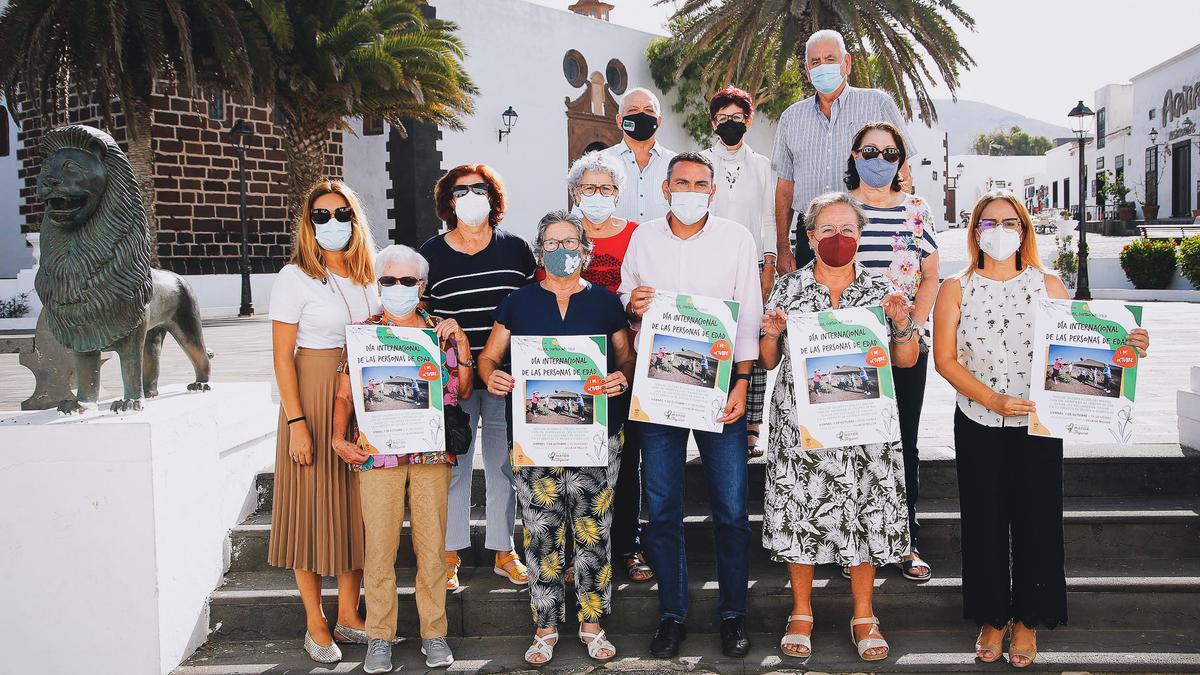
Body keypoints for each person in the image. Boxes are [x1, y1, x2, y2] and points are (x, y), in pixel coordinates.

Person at [932, 190, 1150, 667]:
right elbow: (944, 359)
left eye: (1010, 222)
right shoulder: (956, 286)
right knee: (984, 521)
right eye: (988, 223)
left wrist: (1128, 343)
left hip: (1039, 425)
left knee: (1037, 520)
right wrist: (992, 398)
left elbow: (1082, 345)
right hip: (979, 420)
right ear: (975, 232)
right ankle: (992, 618)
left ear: (1025, 229)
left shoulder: (1048, 285)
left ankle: (1028, 620)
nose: (1000, 231)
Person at [759, 192, 918, 663]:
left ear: (860, 235)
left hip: (864, 423)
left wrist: (902, 321)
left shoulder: (879, 291)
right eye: (827, 230)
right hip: (800, 425)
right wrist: (770, 331)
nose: (838, 238)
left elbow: (905, 360)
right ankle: (801, 611)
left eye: (848, 229)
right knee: (799, 507)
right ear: (810, 237)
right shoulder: (787, 289)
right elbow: (770, 362)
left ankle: (864, 613)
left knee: (865, 507)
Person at [620, 152, 763, 659]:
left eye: (701, 183)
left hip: (721, 389)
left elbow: (748, 315)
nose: (691, 189)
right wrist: (631, 303)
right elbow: (624, 294)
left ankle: (732, 616)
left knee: (730, 510)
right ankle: (671, 615)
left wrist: (743, 384)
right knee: (661, 509)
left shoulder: (736, 240)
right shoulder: (643, 237)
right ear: (665, 188)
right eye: (682, 181)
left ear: (712, 191)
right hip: (658, 391)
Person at [478, 211, 637, 665]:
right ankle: (545, 628)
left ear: (585, 251)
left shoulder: (606, 303)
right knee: (542, 532)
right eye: (552, 243)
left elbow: (626, 358)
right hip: (535, 438)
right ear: (539, 251)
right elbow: (489, 358)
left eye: (570, 243)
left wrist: (620, 380)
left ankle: (592, 625)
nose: (561, 251)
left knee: (593, 531)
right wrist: (493, 378)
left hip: (596, 435)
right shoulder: (517, 303)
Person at [329, 245, 471, 672]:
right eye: (388, 281)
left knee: (432, 550)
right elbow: (343, 394)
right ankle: (379, 637)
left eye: (407, 281)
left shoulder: (439, 332)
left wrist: (461, 341)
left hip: (429, 454)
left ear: (421, 286)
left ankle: (434, 634)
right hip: (377, 457)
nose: (397, 288)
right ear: (378, 284)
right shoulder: (363, 334)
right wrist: (337, 438)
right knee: (380, 550)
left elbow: (462, 391)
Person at [267, 181, 379, 663]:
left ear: (356, 219)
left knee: (357, 512)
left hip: (361, 396)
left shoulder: (372, 275)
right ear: (308, 224)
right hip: (312, 396)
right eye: (321, 215)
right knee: (310, 511)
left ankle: (350, 615)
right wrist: (296, 422)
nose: (332, 223)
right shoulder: (294, 276)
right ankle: (315, 622)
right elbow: (281, 357)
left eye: (341, 213)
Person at [420, 163, 537, 590]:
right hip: (454, 380)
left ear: (493, 197)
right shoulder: (430, 254)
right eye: (460, 190)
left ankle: (504, 550)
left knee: (505, 464)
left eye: (479, 189)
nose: (470, 196)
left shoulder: (517, 249)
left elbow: (530, 306)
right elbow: (421, 313)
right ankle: (450, 552)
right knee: (455, 465)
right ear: (448, 201)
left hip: (506, 377)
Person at [553, 151, 655, 583]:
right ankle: (579, 551)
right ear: (575, 192)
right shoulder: (560, 234)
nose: (597, 195)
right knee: (577, 462)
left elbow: (651, 289)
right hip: (571, 367)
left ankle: (628, 547)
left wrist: (633, 305)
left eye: (607, 188)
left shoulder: (637, 235)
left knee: (627, 458)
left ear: (619, 193)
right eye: (589, 188)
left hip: (625, 360)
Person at [846, 120, 940, 582]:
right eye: (870, 151)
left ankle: (904, 539)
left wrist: (914, 329)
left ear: (901, 161)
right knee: (855, 443)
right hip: (851, 351)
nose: (879, 160)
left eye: (889, 153)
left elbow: (929, 276)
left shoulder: (917, 210)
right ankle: (857, 542)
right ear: (854, 156)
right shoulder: (837, 209)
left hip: (904, 347)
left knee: (903, 441)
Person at [772, 29, 918, 274]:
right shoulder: (790, 118)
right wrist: (783, 248)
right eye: (815, 62)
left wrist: (897, 226)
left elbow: (903, 174)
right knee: (813, 310)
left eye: (830, 59)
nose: (822, 67)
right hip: (812, 236)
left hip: (867, 231)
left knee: (870, 307)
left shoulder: (877, 104)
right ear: (807, 71)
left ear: (846, 63)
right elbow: (785, 189)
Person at [701, 85, 777, 458]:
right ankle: (705, 412)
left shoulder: (762, 165)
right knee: (711, 338)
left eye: (737, 117)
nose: (730, 123)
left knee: (751, 339)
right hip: (709, 260)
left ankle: (751, 425)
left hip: (753, 263)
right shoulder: (700, 162)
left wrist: (770, 263)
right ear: (714, 122)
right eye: (723, 118)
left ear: (748, 120)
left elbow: (767, 218)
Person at [602, 87, 677, 222]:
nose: (641, 115)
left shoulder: (677, 165)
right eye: (633, 110)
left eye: (649, 110)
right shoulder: (600, 162)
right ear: (620, 121)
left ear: (659, 121)